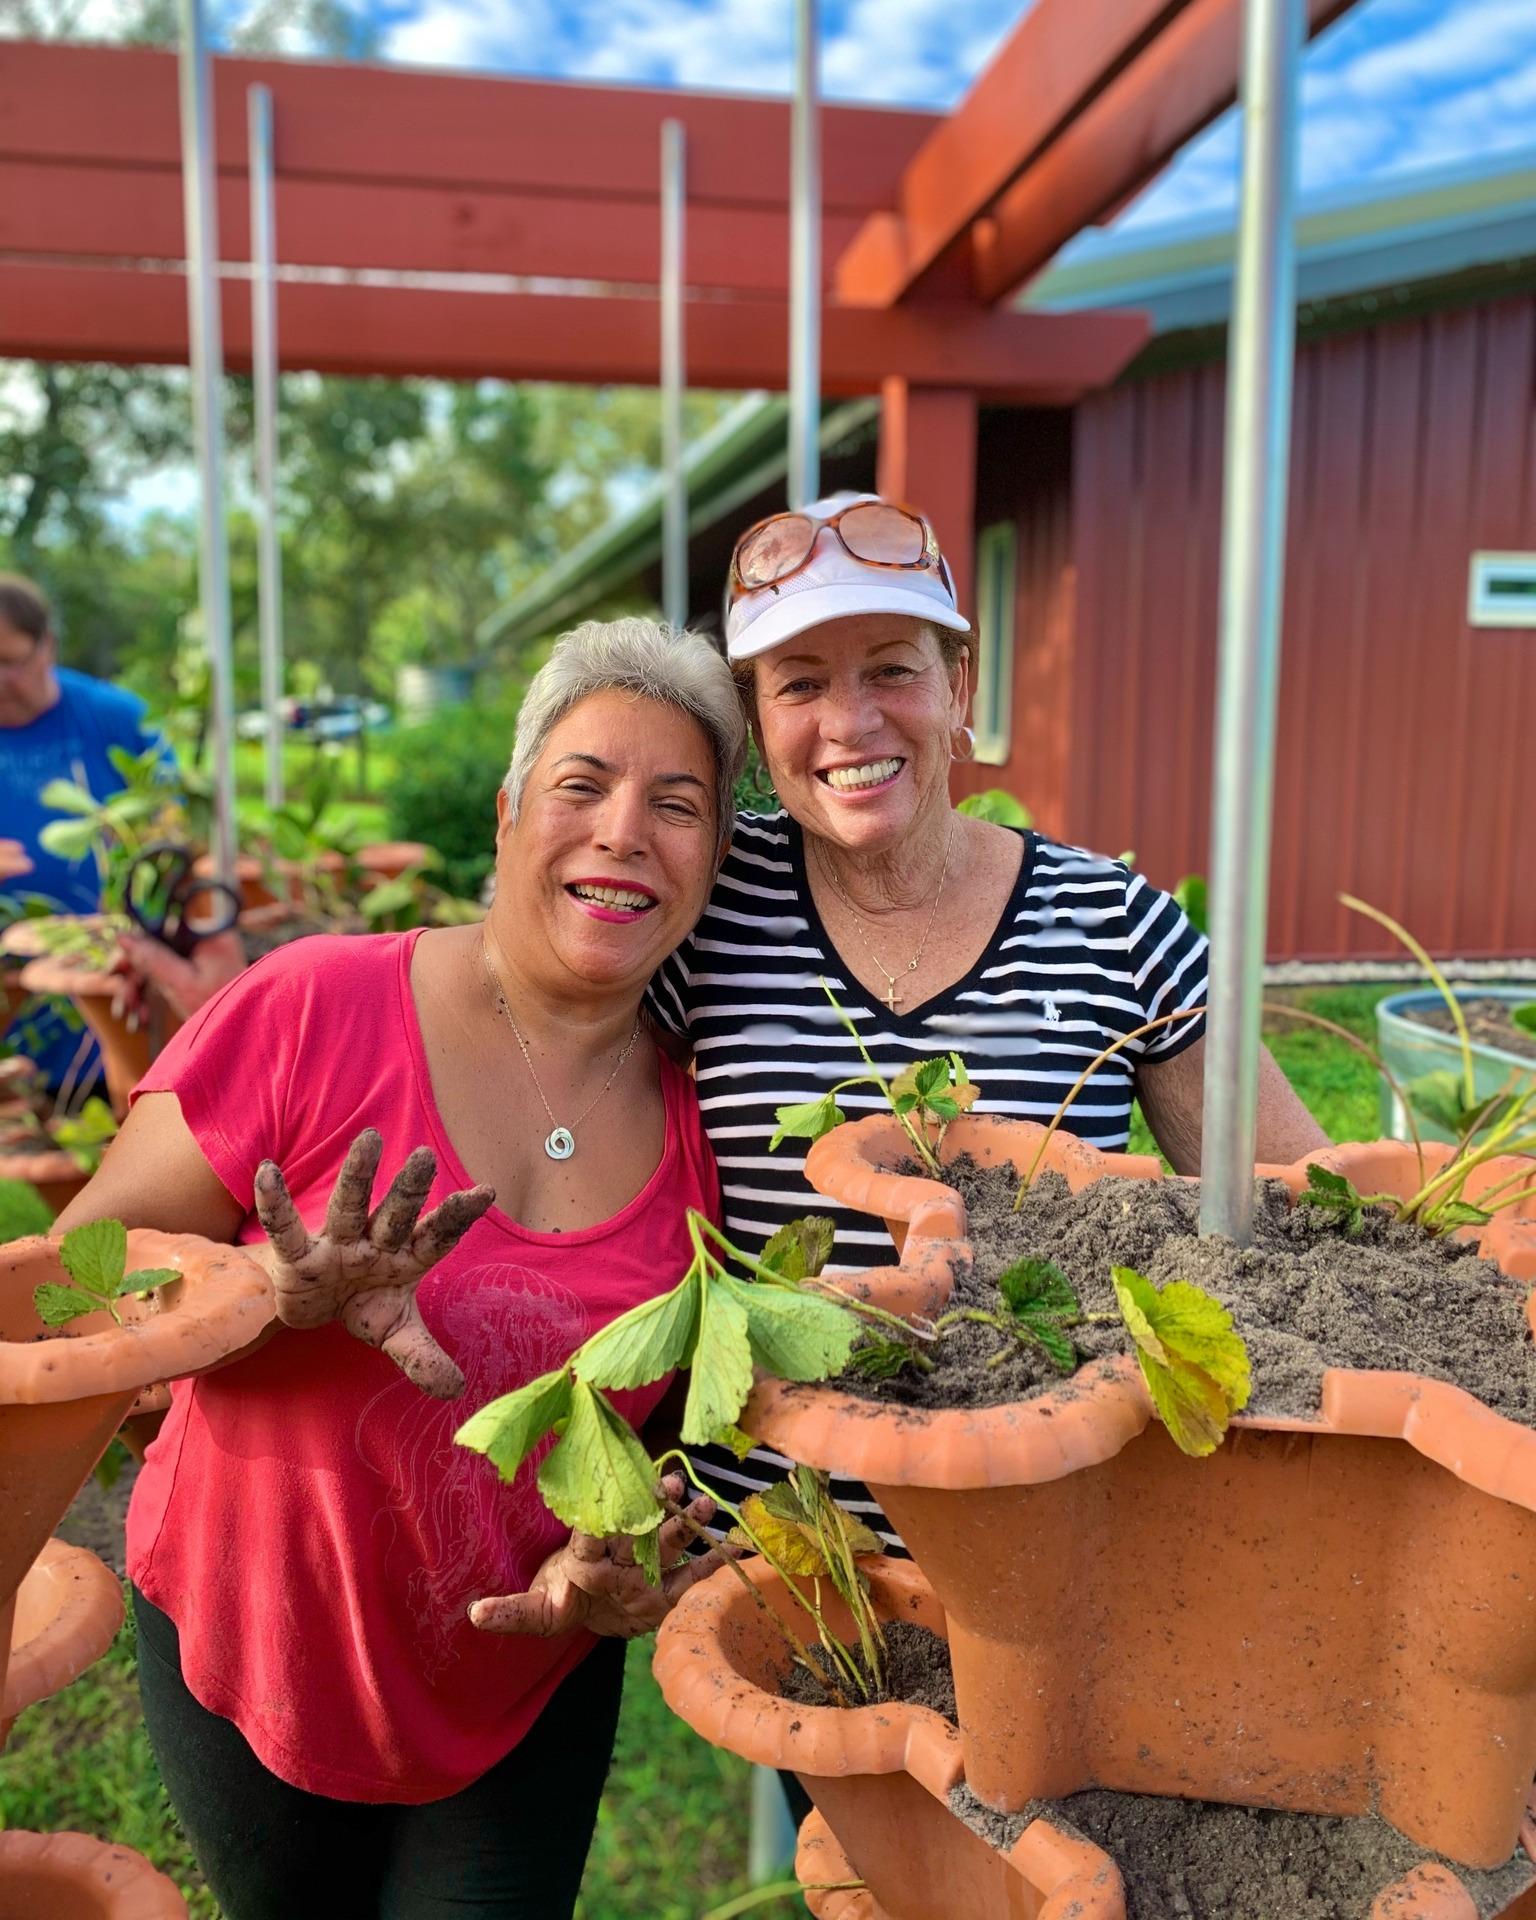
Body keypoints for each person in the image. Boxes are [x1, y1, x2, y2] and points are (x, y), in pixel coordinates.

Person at [53, 617, 747, 1920]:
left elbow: (653, 1438)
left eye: (677, 805)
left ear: (712, 858)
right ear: (506, 812)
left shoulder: (705, 1128)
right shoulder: (310, 1003)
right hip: (252, 1640)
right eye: (582, 785)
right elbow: (72, 1273)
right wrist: (272, 1290)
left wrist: (620, 1556)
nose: (622, 832)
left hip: (523, 1673)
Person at [641, 491, 1330, 1545]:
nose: (850, 722)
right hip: (780, 1549)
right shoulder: (703, 907)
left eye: (892, 668)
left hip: (1045, 1530)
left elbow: (1301, 1216)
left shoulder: (1115, 924)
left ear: (959, 683)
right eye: (800, 685)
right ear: (755, 722)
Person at [0, 574, 170, 1083]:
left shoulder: (113, 716)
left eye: (10, 661)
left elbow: (179, 821)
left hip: (118, 992)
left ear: (47, 646)